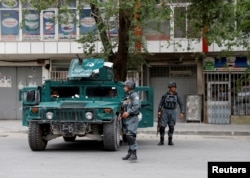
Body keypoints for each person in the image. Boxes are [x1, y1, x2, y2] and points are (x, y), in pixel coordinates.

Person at [157, 82, 184, 146]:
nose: (174, 88)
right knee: (162, 127)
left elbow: (181, 104)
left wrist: (182, 112)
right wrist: (159, 112)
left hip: (173, 111)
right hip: (165, 111)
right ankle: (161, 140)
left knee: (171, 127)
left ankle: (170, 140)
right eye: (173, 87)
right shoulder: (165, 95)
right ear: (170, 88)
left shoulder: (177, 96)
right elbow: (160, 104)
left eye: (175, 87)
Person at [121, 80, 140, 161]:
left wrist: (128, 112)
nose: (124, 87)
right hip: (127, 118)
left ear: (129, 87)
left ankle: (134, 154)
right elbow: (124, 106)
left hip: (133, 117)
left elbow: (136, 106)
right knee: (128, 136)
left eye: (125, 86)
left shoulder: (134, 95)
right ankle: (130, 152)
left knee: (130, 136)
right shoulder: (128, 96)